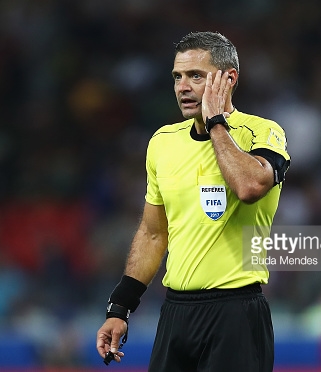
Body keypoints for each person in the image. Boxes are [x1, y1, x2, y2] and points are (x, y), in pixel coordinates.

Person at [96, 31, 290, 372]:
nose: (183, 87)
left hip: (236, 313)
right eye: (177, 77)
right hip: (176, 314)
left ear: (229, 79)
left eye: (196, 76)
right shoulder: (163, 142)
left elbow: (248, 187)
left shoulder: (262, 132)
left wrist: (215, 122)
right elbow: (153, 233)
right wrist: (120, 308)